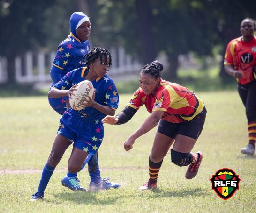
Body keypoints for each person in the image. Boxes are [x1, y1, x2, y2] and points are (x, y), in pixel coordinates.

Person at [30, 47, 120, 201]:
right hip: (71, 120)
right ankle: (39, 193)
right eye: (103, 63)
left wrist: (93, 104)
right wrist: (68, 92)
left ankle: (87, 177)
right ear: (92, 63)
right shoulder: (76, 73)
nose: (106, 67)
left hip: (91, 127)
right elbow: (51, 92)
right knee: (54, 156)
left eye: (108, 64)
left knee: (73, 167)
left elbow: (111, 110)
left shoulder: (107, 83)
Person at [103, 60, 206, 190]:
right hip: (169, 117)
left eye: (147, 83)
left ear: (158, 80)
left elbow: (154, 119)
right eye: (140, 82)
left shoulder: (166, 91)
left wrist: (133, 137)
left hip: (192, 117)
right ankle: (152, 183)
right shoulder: (141, 92)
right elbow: (129, 111)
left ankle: (196, 157)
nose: (143, 86)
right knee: (156, 155)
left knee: (178, 158)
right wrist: (116, 119)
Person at [48, 11, 119, 192]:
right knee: (87, 134)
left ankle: (93, 180)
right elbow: (55, 73)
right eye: (83, 26)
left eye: (89, 25)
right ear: (74, 27)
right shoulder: (67, 46)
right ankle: (79, 178)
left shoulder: (85, 45)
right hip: (69, 99)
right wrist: (69, 94)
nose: (87, 29)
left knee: (90, 134)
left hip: (84, 98)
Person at [224, 18, 256, 156]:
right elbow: (227, 64)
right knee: (253, 113)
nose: (246, 28)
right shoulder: (233, 44)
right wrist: (233, 73)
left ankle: (251, 145)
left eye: (250, 26)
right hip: (242, 84)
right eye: (244, 26)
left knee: (251, 112)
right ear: (240, 29)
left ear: (254, 28)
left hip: (255, 82)